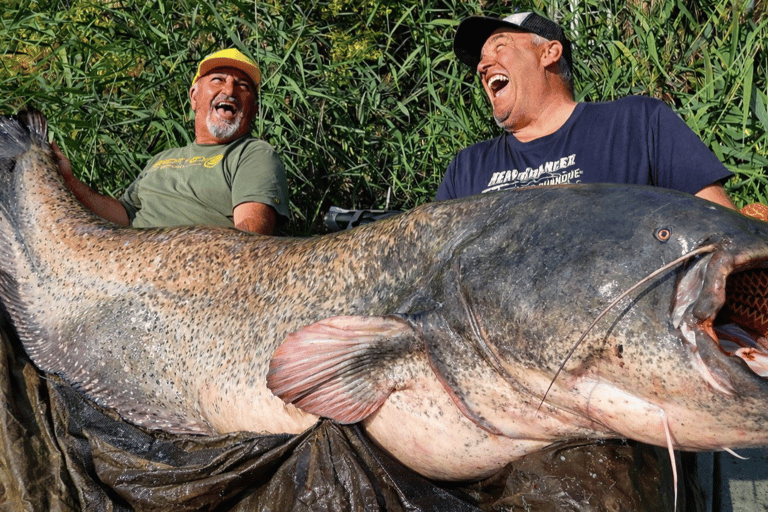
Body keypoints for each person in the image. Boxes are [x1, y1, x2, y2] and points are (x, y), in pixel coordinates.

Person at [435, 12, 736, 209]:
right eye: (481, 60)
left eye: (499, 47)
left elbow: (719, 228)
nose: (482, 66)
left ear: (549, 52)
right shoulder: (466, 169)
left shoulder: (637, 124)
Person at [54, 48, 290, 234]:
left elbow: (251, 239)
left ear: (254, 109)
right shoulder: (161, 159)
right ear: (194, 97)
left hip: (189, 272)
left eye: (242, 86)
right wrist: (68, 180)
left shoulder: (253, 154)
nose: (229, 90)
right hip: (125, 260)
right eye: (218, 80)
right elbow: (123, 216)